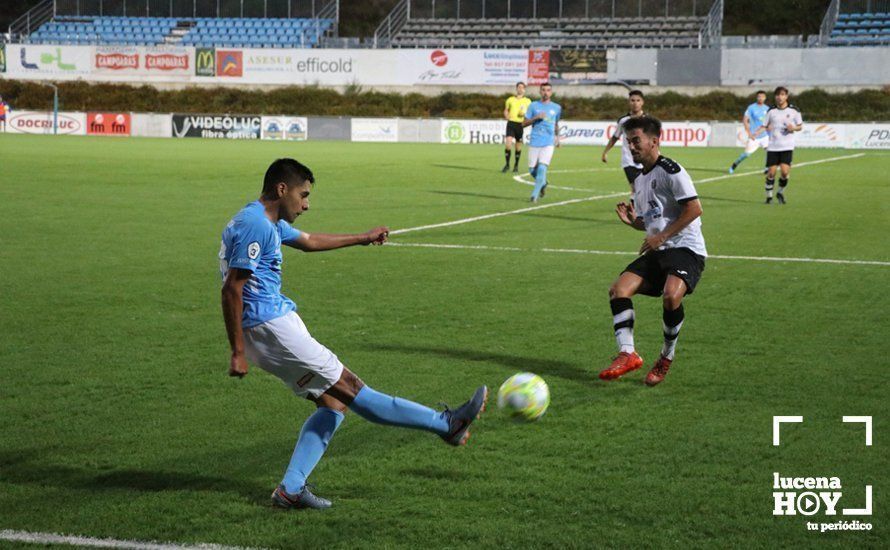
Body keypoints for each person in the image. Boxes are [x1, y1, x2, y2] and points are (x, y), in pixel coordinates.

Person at [220, 158, 488, 510]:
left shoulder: (266, 220)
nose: (306, 204)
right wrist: (237, 351)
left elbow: (311, 241)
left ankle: (291, 489)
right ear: (281, 189)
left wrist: (363, 237)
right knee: (353, 390)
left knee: (333, 404)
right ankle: (446, 424)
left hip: (272, 327)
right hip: (270, 329)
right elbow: (231, 289)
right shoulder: (256, 224)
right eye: (303, 195)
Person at [598, 116, 707, 387]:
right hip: (659, 250)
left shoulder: (671, 170)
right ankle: (627, 353)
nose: (632, 147)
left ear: (654, 141)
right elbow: (652, 221)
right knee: (618, 290)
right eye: (629, 141)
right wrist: (634, 222)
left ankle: (665, 357)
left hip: (686, 248)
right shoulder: (641, 180)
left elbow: (694, 209)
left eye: (637, 141)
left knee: (671, 296)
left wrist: (661, 237)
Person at [762, 87, 803, 204]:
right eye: (778, 95)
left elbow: (800, 126)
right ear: (775, 97)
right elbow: (765, 125)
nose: (780, 97)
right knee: (771, 173)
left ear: (787, 96)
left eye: (783, 95)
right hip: (773, 146)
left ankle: (780, 192)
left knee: (785, 172)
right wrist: (767, 128)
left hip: (787, 146)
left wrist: (793, 128)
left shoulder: (794, 110)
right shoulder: (771, 111)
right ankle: (769, 197)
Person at [522, 82, 561, 203]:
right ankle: (543, 183)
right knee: (532, 170)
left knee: (542, 168)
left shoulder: (557, 107)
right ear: (540, 91)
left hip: (548, 142)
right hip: (535, 141)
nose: (546, 92)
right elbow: (523, 124)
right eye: (543, 90)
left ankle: (534, 195)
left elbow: (556, 123)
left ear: (551, 92)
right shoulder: (533, 106)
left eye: (548, 90)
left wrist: (557, 137)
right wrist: (536, 118)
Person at [601, 90, 646, 193]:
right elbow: (615, 137)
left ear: (642, 102)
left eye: (638, 100)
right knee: (635, 187)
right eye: (632, 100)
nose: (635, 103)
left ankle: (638, 207)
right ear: (628, 102)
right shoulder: (623, 121)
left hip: (644, 159)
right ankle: (634, 208)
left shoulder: (647, 120)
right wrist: (605, 152)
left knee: (644, 188)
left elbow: (653, 140)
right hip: (628, 159)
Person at [728, 91, 770, 174]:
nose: (760, 98)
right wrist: (749, 133)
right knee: (746, 154)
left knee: (770, 151)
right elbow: (745, 120)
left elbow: (769, 122)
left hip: (764, 136)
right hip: (754, 137)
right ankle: (734, 164)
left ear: (765, 98)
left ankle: (767, 168)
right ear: (756, 97)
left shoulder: (767, 108)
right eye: (759, 96)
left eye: (762, 97)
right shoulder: (751, 107)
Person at [502, 82, 531, 173]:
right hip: (511, 123)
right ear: (516, 88)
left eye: (522, 87)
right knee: (508, 144)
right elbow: (506, 110)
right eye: (519, 87)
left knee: (518, 146)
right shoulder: (510, 99)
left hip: (520, 124)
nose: (520, 89)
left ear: (524, 90)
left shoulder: (528, 101)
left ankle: (516, 165)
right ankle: (507, 164)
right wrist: (506, 115)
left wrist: (525, 114)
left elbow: (530, 113)